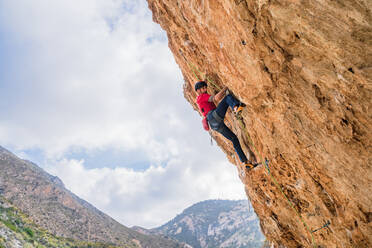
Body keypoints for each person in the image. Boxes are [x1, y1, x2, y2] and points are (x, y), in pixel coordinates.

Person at [195, 80, 259, 170]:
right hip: (213, 117)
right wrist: (225, 88)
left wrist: (204, 82)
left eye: (205, 87)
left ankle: (246, 163)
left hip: (214, 125)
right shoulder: (202, 96)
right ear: (198, 91)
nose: (205, 89)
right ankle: (236, 108)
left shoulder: (199, 99)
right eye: (203, 88)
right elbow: (216, 98)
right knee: (228, 97)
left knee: (234, 139)